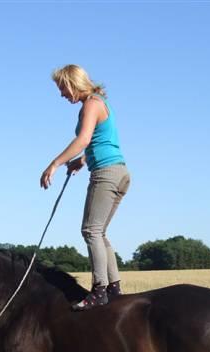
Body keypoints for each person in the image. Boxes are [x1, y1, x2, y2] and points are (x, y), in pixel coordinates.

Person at [41, 64, 131, 311]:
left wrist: (55, 164)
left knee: (90, 231)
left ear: (73, 83)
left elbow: (84, 139)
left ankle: (99, 291)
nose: (62, 94)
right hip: (119, 171)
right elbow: (103, 140)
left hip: (106, 174)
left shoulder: (91, 103)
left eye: (62, 88)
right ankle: (113, 289)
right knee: (99, 232)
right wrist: (81, 161)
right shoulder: (98, 102)